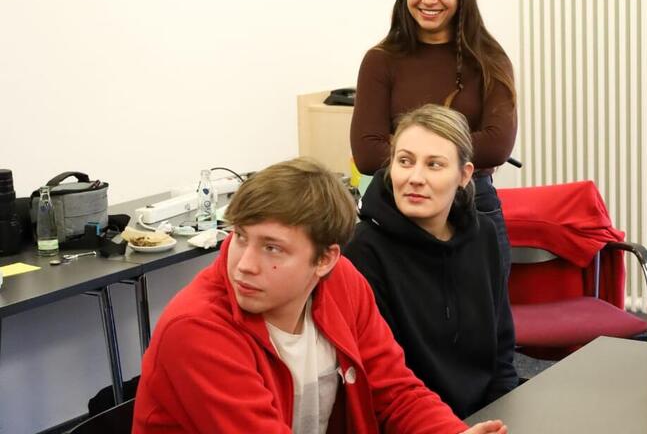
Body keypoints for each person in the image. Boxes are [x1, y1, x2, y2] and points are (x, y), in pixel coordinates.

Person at [133, 158, 507, 434]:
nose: (243, 265)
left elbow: (394, 390)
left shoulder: (343, 281)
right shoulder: (196, 329)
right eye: (241, 237)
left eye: (272, 248)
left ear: (325, 260)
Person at [344, 105, 518, 418]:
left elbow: (502, 348)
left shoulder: (484, 235)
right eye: (405, 161)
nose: (415, 178)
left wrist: (502, 415)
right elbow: (387, 383)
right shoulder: (363, 250)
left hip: (486, 416)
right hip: (414, 422)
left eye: (434, 165)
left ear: (464, 175)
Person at [351, 0, 517, 280]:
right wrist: (453, 152)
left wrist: (404, 149)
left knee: (484, 310)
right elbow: (367, 152)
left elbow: (497, 145)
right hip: (400, 211)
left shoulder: (489, 59)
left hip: (475, 206)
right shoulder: (380, 60)